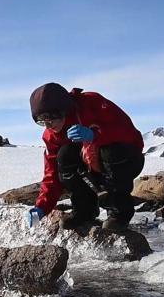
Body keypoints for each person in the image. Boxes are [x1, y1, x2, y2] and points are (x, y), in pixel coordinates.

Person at [26, 82, 145, 234]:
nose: (48, 126)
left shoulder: (92, 103)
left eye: (51, 118)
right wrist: (41, 208)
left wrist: (95, 135)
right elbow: (52, 174)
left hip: (126, 160)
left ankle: (119, 213)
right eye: (41, 121)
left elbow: (129, 134)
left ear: (64, 109)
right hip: (91, 169)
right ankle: (84, 211)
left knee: (110, 151)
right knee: (65, 155)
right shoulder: (51, 136)